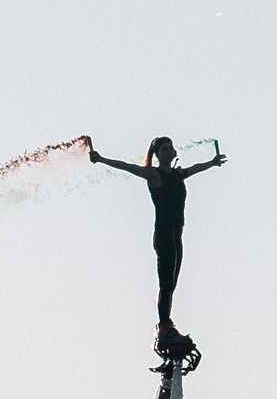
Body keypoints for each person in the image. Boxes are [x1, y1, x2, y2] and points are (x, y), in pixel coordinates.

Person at [86, 135, 226, 355]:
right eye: (164, 148)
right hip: (163, 236)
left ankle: (167, 326)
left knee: (171, 284)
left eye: (171, 148)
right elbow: (126, 166)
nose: (169, 151)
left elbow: (196, 168)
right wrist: (101, 159)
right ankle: (164, 329)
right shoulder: (153, 174)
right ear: (157, 154)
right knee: (165, 283)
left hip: (177, 235)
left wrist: (213, 162)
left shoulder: (179, 174)